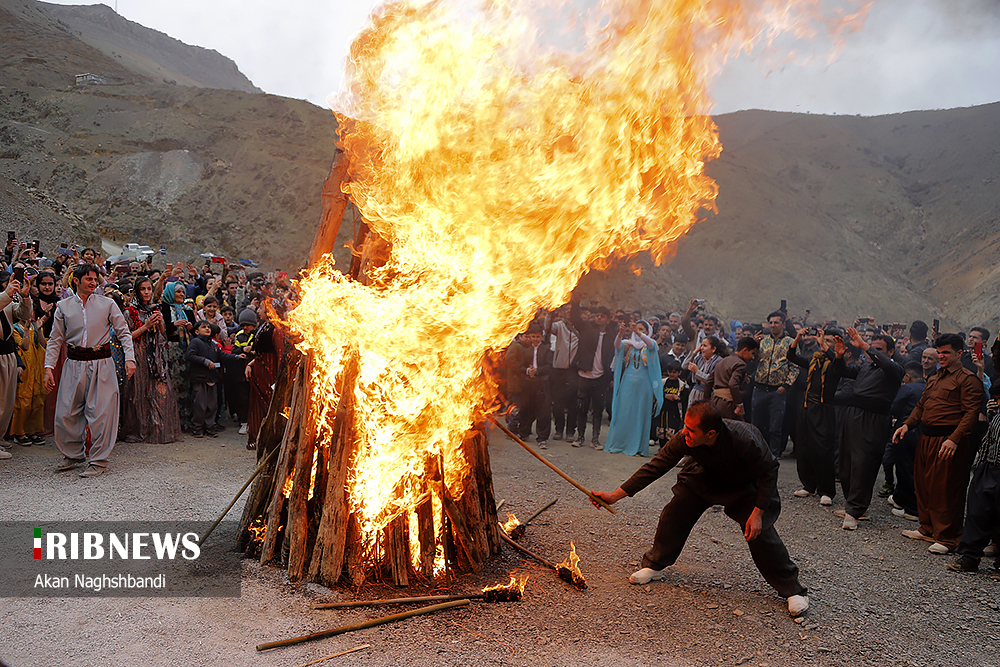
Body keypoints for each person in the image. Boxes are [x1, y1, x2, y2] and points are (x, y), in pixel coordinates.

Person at [593, 402, 809, 618]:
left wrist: (758, 512)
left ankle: (793, 589)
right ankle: (655, 564)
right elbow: (656, 466)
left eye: (691, 429)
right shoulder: (685, 438)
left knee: (758, 532)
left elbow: (769, 471)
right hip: (704, 476)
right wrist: (614, 496)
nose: (684, 433)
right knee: (675, 511)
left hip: (744, 484)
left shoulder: (745, 439)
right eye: (685, 426)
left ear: (711, 433)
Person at [894, 333, 984, 554]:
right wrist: (908, 425)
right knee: (924, 485)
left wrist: (954, 439)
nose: (941, 356)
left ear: (959, 353)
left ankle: (948, 537)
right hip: (926, 438)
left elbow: (972, 412)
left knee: (947, 488)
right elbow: (921, 405)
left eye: (947, 353)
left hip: (949, 440)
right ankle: (927, 528)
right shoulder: (934, 377)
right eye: (940, 352)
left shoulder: (967, 379)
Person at [43, 263, 136, 477]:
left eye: (95, 279)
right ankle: (72, 455)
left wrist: (130, 360)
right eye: (89, 279)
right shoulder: (63, 307)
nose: (94, 283)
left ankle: (99, 460)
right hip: (73, 363)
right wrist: (49, 367)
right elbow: (55, 340)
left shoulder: (108, 304)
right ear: (76, 280)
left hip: (102, 362)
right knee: (66, 412)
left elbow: (123, 333)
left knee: (102, 413)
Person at [831, 327, 903, 530]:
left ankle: (855, 510)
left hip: (874, 419)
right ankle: (852, 505)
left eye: (879, 349)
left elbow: (888, 366)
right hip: (852, 415)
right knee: (846, 461)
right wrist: (838, 356)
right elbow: (841, 371)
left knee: (863, 464)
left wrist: (866, 346)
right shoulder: (865, 368)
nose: (872, 352)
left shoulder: (895, 369)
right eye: (872, 348)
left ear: (890, 352)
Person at [121, 275, 181, 444]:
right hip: (138, 355)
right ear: (137, 291)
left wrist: (160, 323)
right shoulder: (129, 311)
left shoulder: (155, 309)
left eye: (149, 289)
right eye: (143, 289)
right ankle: (138, 431)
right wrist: (145, 326)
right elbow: (126, 337)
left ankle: (157, 429)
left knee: (161, 392)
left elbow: (162, 337)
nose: (147, 292)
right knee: (138, 394)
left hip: (155, 357)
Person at [786, 327, 842, 506]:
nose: (823, 344)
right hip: (806, 407)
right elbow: (792, 356)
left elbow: (837, 362)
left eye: (829, 342)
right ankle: (808, 485)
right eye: (823, 341)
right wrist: (798, 337)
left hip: (823, 409)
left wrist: (826, 347)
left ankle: (826, 490)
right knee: (803, 446)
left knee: (823, 449)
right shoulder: (813, 361)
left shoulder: (836, 364)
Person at [948, 384, 1000, 575]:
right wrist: (980, 469)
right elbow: (987, 442)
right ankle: (969, 558)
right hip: (990, 468)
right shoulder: (996, 418)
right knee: (978, 512)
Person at [605, 320, 662, 457]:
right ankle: (620, 443)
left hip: (644, 385)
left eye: (641, 329)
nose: (637, 331)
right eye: (636, 328)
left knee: (640, 414)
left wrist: (638, 333)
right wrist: (620, 333)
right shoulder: (629, 345)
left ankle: (637, 447)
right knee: (624, 412)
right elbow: (617, 345)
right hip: (628, 383)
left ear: (647, 332)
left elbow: (651, 344)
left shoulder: (650, 346)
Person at [185, 321, 244, 438]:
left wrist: (237, 357)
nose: (207, 329)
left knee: (212, 405)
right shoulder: (196, 342)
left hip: (212, 377)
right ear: (196, 331)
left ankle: (209, 427)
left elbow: (222, 356)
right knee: (200, 404)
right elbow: (190, 355)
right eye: (203, 327)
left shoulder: (212, 345)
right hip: (200, 378)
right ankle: (197, 428)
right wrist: (205, 362)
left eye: (208, 327)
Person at [752, 311, 798, 458]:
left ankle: (774, 453)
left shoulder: (790, 342)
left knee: (775, 425)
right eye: (771, 322)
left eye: (776, 322)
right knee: (757, 423)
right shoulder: (763, 341)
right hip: (759, 388)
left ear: (783, 324)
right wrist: (755, 345)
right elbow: (753, 361)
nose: (773, 325)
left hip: (777, 391)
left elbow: (795, 367)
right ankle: (757, 451)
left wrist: (786, 385)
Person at [570, 301, 616, 449]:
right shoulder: (587, 328)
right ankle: (580, 437)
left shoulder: (611, 335)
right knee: (581, 408)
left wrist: (612, 377)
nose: (599, 318)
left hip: (601, 377)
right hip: (584, 375)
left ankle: (595, 439)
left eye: (602, 316)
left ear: (608, 319)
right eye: (597, 315)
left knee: (597, 410)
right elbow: (575, 318)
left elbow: (614, 356)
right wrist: (575, 298)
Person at [885, 362, 926, 522]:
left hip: (906, 429)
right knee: (915, 467)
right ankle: (900, 499)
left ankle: (911, 508)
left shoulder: (907, 388)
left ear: (907, 376)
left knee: (904, 468)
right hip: (922, 431)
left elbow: (893, 407)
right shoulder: (928, 386)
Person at [0, 271, 32, 460]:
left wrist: (25, 296)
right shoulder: (3, 298)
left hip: (7, 355)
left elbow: (23, 314)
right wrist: (7, 294)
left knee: (7, 401)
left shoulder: (6, 302)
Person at [514, 324, 552, 449]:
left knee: (543, 410)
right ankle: (524, 433)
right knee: (526, 408)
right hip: (529, 383)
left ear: (542, 337)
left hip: (542, 383)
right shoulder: (526, 351)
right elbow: (521, 366)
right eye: (533, 336)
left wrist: (537, 371)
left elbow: (549, 367)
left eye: (537, 336)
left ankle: (542, 438)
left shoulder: (547, 350)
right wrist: (527, 371)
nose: (535, 339)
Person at [548, 305, 579, 442]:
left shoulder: (581, 327)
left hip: (573, 370)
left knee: (572, 403)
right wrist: (550, 313)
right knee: (558, 402)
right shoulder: (559, 326)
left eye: (571, 310)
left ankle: (571, 431)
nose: (569, 312)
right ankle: (559, 429)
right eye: (566, 310)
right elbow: (548, 328)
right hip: (559, 369)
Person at [708, 337, 758, 420]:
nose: (752, 357)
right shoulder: (741, 364)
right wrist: (739, 405)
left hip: (715, 403)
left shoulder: (722, 361)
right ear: (745, 350)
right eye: (752, 353)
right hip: (728, 405)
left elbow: (708, 382)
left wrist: (707, 403)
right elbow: (732, 384)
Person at [685, 335, 724, 406]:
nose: (702, 348)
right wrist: (695, 352)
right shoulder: (700, 358)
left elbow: (712, 380)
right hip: (695, 391)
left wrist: (697, 371)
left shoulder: (719, 362)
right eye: (701, 345)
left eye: (705, 346)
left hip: (708, 393)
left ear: (713, 349)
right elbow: (684, 365)